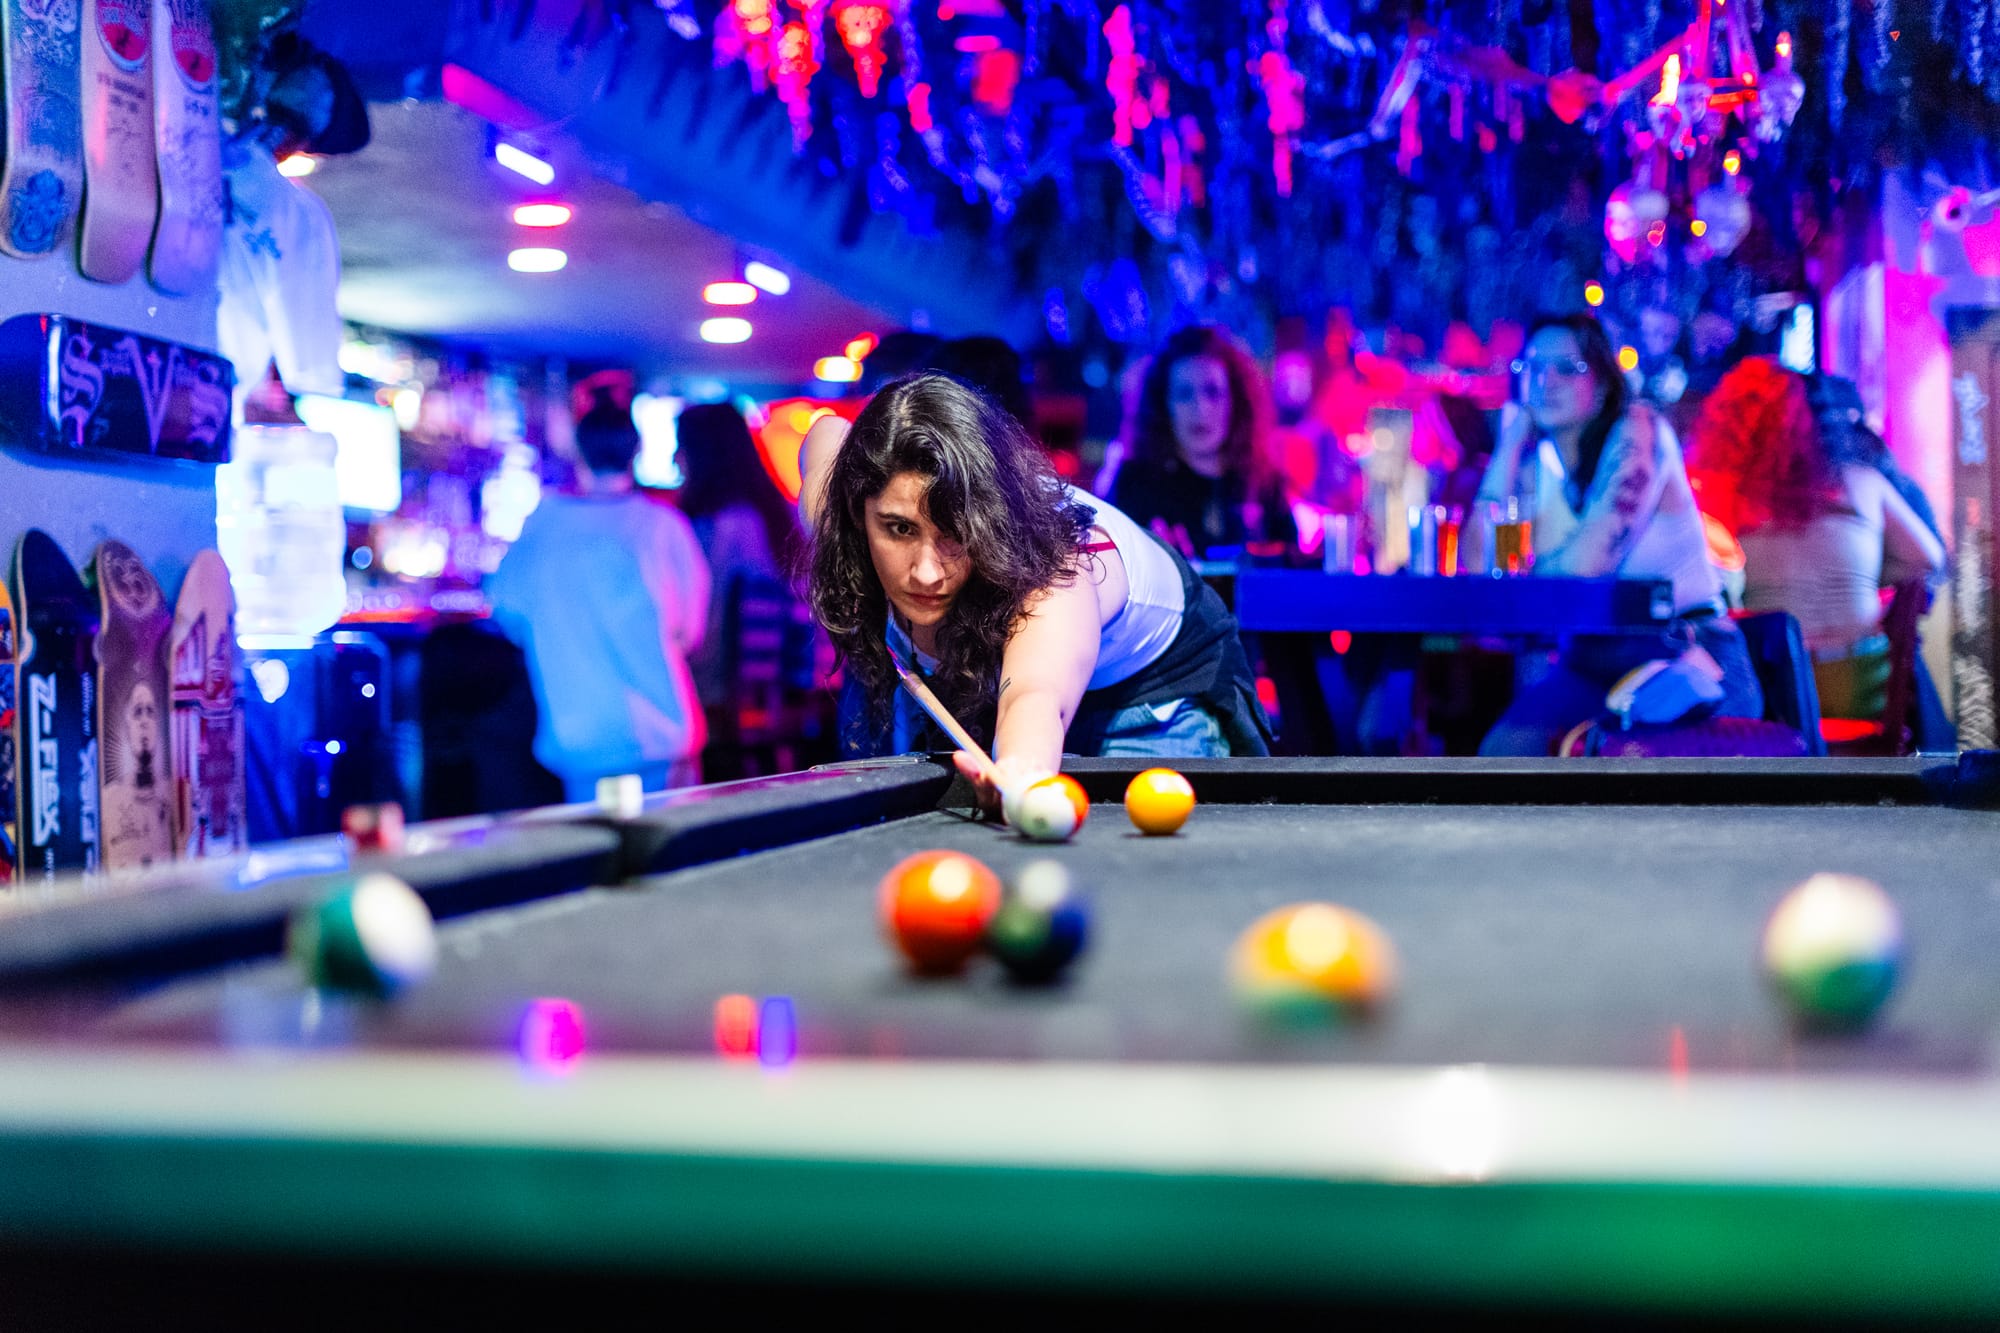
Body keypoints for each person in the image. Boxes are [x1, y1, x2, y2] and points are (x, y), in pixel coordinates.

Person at [798, 373, 1269, 810]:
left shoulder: (1059, 566)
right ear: (860, 513)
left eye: (955, 534)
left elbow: (1034, 694)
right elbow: (825, 432)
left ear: (988, 522)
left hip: (1151, 695)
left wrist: (1020, 773)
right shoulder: (845, 512)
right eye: (899, 529)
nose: (924, 572)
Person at [1474, 314, 1763, 755]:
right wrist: (1508, 447)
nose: (1544, 380)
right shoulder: (1537, 467)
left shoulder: (1640, 430)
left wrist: (1525, 575)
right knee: (1503, 756)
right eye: (1531, 366)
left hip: (1685, 657)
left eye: (1566, 368)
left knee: (1621, 772)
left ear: (1604, 383)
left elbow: (1587, 568)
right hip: (1591, 661)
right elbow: (1478, 569)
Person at [1689, 359, 1947, 724]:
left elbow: (1707, 582)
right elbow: (1928, 559)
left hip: (1776, 690)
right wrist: (1861, 577)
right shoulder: (1864, 483)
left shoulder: (1728, 500)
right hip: (1860, 684)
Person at [487, 386, 711, 800]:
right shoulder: (663, 526)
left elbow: (508, 614)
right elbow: (689, 635)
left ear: (577, 450)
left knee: (602, 857)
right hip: (659, 737)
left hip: (581, 742)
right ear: (637, 450)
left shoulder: (544, 525)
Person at [217, 31, 370, 410]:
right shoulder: (301, 216)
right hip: (204, 382)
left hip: (203, 378)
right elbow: (310, 364)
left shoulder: (300, 216)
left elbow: (310, 364)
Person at [1108, 325, 1298, 559]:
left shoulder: (1264, 482)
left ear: (1236, 400)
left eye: (1213, 392)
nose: (1200, 409)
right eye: (1184, 394)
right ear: (1163, 404)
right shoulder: (1136, 483)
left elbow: (1293, 574)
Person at [674, 401, 802, 706]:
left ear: (703, 454)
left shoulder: (722, 525)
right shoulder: (778, 513)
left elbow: (707, 625)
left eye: (681, 447)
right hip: (779, 693)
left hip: (722, 696)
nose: (674, 459)